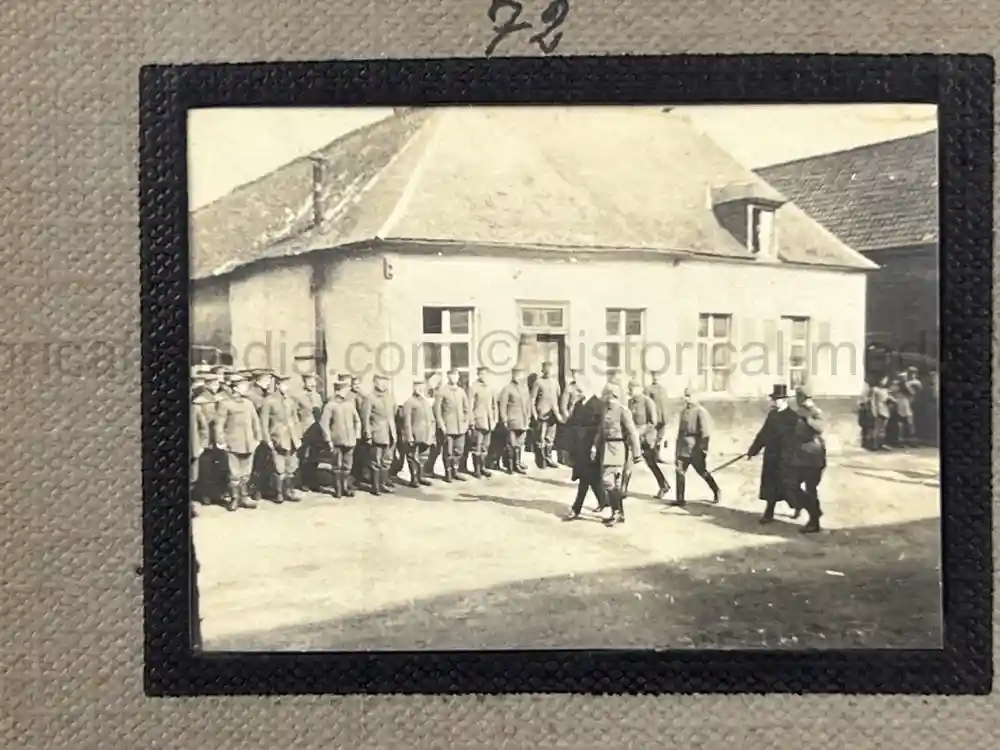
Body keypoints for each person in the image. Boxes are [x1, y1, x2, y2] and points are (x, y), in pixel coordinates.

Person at [746, 383, 801, 523]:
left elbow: (798, 439)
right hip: (771, 456)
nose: (774, 402)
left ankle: (797, 505)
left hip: (786, 458)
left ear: (784, 400)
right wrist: (753, 450)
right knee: (770, 485)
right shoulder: (772, 415)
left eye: (776, 399)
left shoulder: (793, 417)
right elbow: (763, 434)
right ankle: (768, 513)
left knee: (787, 486)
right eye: (773, 399)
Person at [562, 375, 609, 520]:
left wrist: (595, 446)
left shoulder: (599, 405)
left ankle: (576, 508)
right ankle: (605, 501)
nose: (576, 393)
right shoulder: (578, 405)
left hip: (592, 447)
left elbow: (601, 428)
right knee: (592, 478)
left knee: (586, 477)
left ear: (586, 389)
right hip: (580, 447)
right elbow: (572, 425)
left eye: (578, 390)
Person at [213, 373, 262, 511]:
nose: (246, 387)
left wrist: (258, 438)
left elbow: (255, 421)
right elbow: (219, 424)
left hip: (249, 442)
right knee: (234, 474)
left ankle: (244, 497)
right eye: (243, 385)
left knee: (246, 473)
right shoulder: (225, 404)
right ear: (235, 388)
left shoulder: (248, 403)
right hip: (233, 443)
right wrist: (220, 441)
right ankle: (235, 498)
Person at [595, 384, 642, 527]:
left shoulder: (623, 411)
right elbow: (600, 430)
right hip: (606, 448)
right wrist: (594, 446)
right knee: (613, 483)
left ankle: (616, 512)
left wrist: (636, 453)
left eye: (607, 395)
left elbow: (633, 432)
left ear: (612, 395)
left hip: (617, 448)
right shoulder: (605, 410)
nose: (605, 398)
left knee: (607, 481)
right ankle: (619, 514)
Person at [669, 387, 721, 507]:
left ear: (696, 397)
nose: (686, 398)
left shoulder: (700, 411)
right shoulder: (683, 412)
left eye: (689, 396)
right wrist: (677, 451)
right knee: (679, 471)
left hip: (695, 447)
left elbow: (705, 433)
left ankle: (716, 490)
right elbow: (680, 433)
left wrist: (703, 450)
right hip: (683, 447)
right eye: (685, 396)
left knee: (702, 471)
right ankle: (680, 499)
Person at [786, 384, 827, 533]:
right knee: (791, 485)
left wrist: (808, 416)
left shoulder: (814, 411)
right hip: (799, 456)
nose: (800, 400)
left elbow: (820, 428)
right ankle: (814, 511)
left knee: (810, 489)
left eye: (801, 397)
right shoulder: (796, 411)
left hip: (813, 456)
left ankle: (814, 521)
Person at [259, 373, 304, 504]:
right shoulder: (269, 401)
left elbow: (296, 419)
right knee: (279, 467)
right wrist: (267, 440)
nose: (286, 387)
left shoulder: (290, 401)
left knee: (291, 466)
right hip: (278, 437)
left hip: (292, 438)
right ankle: (278, 493)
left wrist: (298, 435)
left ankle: (288, 491)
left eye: (287, 384)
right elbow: (264, 423)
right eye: (284, 384)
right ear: (277, 385)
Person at [317, 377, 361, 497]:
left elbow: (357, 420)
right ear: (337, 390)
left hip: (350, 440)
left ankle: (345, 487)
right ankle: (338, 490)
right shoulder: (330, 405)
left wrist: (357, 434)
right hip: (336, 441)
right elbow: (323, 423)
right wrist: (328, 439)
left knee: (347, 466)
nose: (345, 392)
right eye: (343, 390)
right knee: (337, 466)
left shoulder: (349, 404)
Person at [627, 380, 671, 499]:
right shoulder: (630, 403)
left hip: (646, 438)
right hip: (633, 437)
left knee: (651, 463)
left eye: (633, 388)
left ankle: (663, 485)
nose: (630, 390)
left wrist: (640, 432)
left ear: (640, 389)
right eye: (630, 388)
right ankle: (622, 490)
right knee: (628, 462)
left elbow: (653, 422)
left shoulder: (648, 402)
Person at [361, 373, 396, 495]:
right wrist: (368, 434)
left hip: (389, 432)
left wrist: (393, 431)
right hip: (377, 432)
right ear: (375, 383)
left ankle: (383, 484)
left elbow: (393, 413)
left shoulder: (389, 397)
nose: (384, 384)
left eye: (385, 382)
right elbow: (365, 418)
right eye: (381, 382)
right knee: (375, 461)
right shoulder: (369, 398)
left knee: (387, 460)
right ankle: (375, 487)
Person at [433, 369, 471, 482]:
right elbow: (437, 411)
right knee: (448, 451)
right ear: (448, 377)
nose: (453, 378)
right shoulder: (442, 391)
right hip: (448, 427)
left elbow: (466, 409)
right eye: (451, 376)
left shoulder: (461, 391)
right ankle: (448, 473)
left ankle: (455, 471)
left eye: (455, 376)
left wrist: (466, 423)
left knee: (459, 450)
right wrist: (441, 425)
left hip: (460, 427)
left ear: (458, 377)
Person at [400, 379, 436, 488]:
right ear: (414, 388)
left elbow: (431, 418)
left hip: (425, 434)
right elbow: (406, 422)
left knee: (423, 456)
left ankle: (421, 476)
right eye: (418, 387)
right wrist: (409, 436)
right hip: (414, 434)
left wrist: (432, 433)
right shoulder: (409, 403)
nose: (421, 390)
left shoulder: (425, 402)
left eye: (422, 388)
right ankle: (414, 478)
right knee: (411, 456)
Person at [295, 373, 325, 491]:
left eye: (314, 382)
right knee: (304, 457)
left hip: (316, 430)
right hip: (303, 429)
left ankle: (314, 481)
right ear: (304, 382)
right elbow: (295, 415)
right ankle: (304, 482)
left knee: (315, 456)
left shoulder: (318, 396)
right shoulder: (298, 397)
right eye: (309, 381)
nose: (312, 384)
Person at [498, 367, 532, 474]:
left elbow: (528, 404)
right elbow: (502, 406)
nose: (519, 377)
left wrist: (529, 417)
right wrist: (504, 419)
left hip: (523, 420)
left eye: (521, 375)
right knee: (510, 445)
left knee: (519, 444)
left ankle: (517, 464)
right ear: (513, 376)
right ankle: (510, 467)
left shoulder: (524, 389)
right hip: (512, 420)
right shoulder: (507, 389)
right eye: (516, 375)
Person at [530, 361, 563, 468]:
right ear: (542, 370)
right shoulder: (538, 383)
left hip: (553, 414)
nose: (548, 371)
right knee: (540, 437)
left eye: (550, 369)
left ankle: (548, 458)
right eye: (546, 369)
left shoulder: (555, 383)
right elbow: (532, 400)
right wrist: (534, 413)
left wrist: (558, 412)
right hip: (542, 414)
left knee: (550, 437)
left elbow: (558, 397)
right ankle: (540, 461)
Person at [468, 367, 498, 478]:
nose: (483, 376)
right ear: (478, 375)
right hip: (478, 421)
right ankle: (476, 470)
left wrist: (495, 419)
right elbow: (469, 407)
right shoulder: (473, 388)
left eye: (485, 374)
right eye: (481, 374)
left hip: (489, 421)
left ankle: (483, 467)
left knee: (486, 446)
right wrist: (471, 421)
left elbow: (495, 406)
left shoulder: (491, 388)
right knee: (477, 446)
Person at [557, 369, 584, 464]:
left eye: (578, 374)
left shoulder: (585, 388)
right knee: (571, 439)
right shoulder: (569, 388)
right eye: (574, 375)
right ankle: (569, 460)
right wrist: (567, 416)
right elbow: (563, 405)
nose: (576, 377)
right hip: (572, 417)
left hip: (583, 417)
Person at [645, 372, 670, 463]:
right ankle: (651, 457)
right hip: (654, 417)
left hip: (662, 418)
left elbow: (666, 404)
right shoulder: (648, 389)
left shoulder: (663, 389)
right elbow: (646, 403)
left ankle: (657, 456)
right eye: (654, 376)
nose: (656, 378)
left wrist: (666, 417)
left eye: (657, 376)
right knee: (652, 438)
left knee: (659, 438)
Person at [868, 375, 893, 451]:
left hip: (885, 410)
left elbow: (888, 399)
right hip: (878, 409)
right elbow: (872, 401)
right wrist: (873, 411)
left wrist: (890, 400)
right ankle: (874, 444)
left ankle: (881, 443)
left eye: (886, 380)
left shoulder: (886, 390)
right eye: (883, 379)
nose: (884, 382)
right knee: (877, 427)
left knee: (882, 428)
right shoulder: (875, 389)